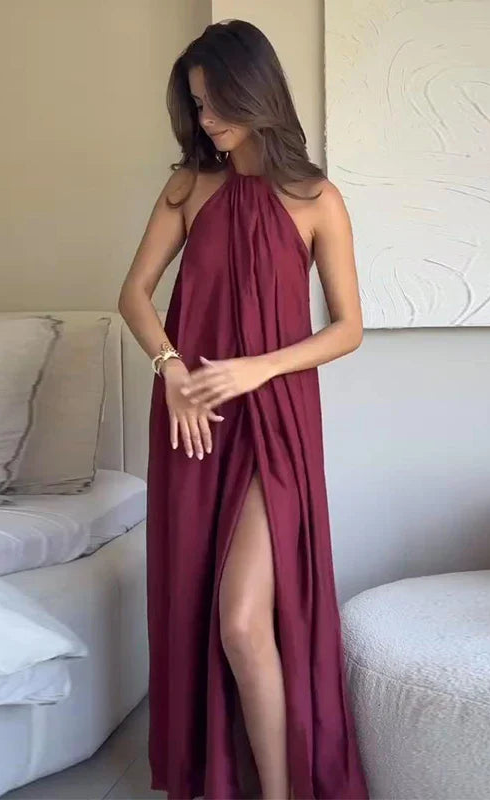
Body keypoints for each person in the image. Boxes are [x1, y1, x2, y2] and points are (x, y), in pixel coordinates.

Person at [118, 19, 368, 800]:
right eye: (195, 105)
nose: (206, 120)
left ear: (256, 94)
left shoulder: (317, 199)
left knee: (241, 620)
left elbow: (348, 329)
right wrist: (170, 370)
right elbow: (134, 295)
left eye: (217, 102)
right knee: (202, 604)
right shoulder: (188, 187)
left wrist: (261, 367)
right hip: (195, 421)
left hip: (277, 425)